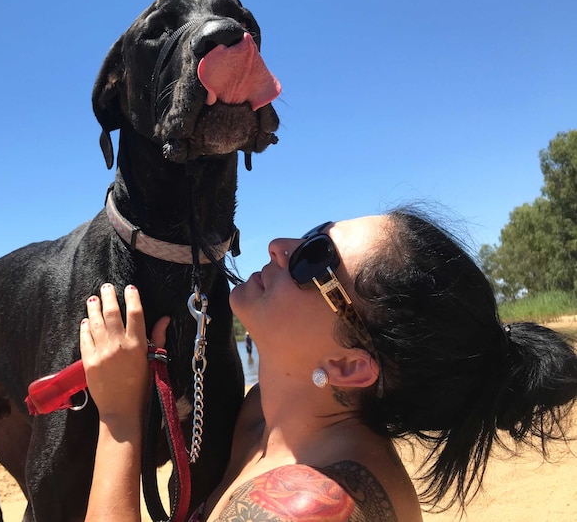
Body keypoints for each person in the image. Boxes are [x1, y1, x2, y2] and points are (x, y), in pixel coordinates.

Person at [78, 207, 577, 521]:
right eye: (314, 234)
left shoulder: (308, 508)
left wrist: (119, 418)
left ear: (347, 365)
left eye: (313, 259)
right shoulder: (263, 416)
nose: (279, 247)